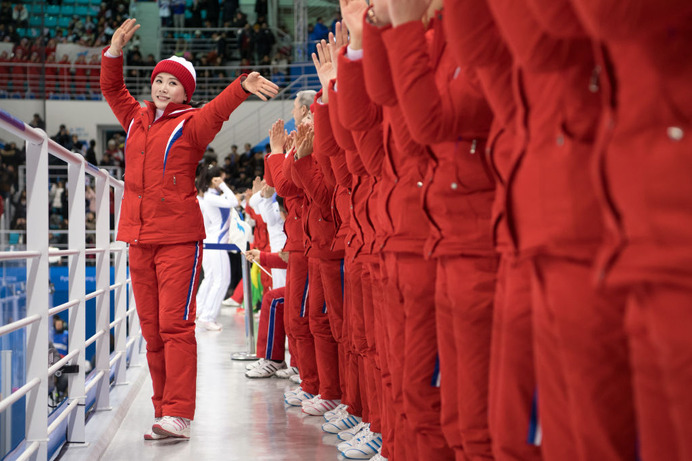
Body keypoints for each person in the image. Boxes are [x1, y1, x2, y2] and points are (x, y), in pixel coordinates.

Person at [100, 18, 278, 440]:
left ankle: (179, 412)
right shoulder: (134, 118)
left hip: (179, 239)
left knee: (174, 325)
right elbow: (112, 89)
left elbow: (217, 111)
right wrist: (113, 52)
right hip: (138, 237)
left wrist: (240, 86)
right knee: (150, 328)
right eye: (158, 80)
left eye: (172, 84)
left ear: (185, 92)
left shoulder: (193, 124)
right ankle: (163, 410)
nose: (162, 88)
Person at [195, 165, 240, 331]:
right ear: (215, 180)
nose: (224, 181)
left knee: (215, 279)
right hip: (216, 244)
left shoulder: (210, 196)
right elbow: (233, 202)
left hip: (214, 243)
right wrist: (223, 185)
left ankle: (203, 312)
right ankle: (207, 316)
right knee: (220, 280)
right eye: (221, 178)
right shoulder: (211, 197)